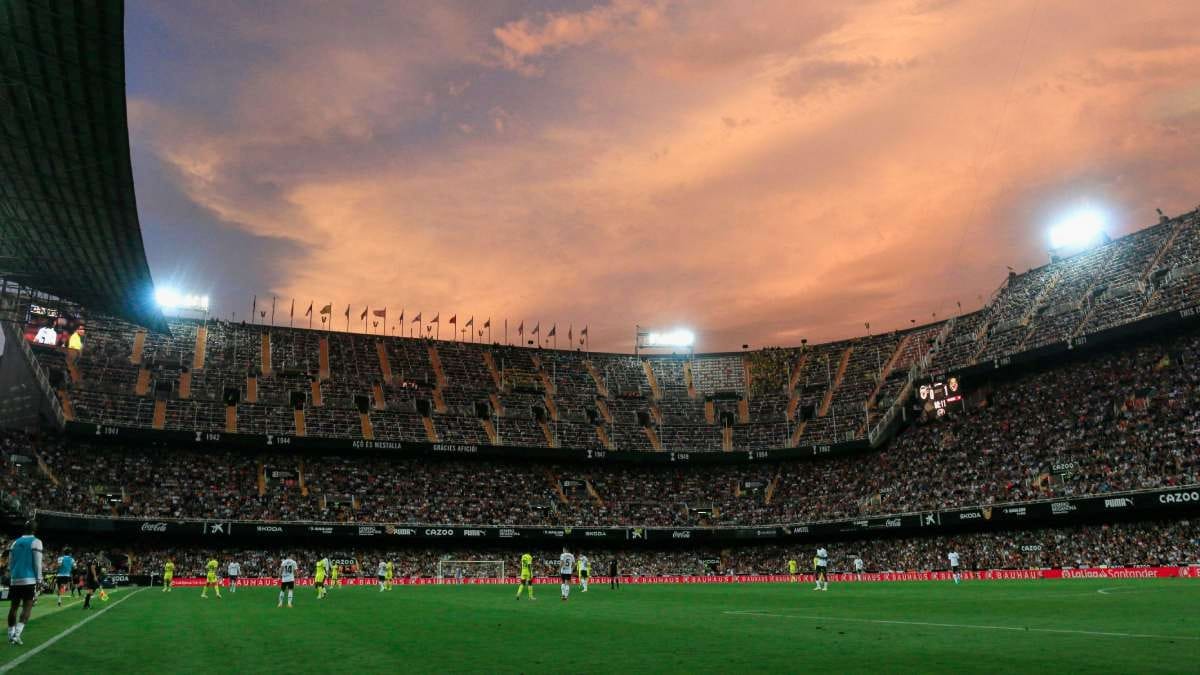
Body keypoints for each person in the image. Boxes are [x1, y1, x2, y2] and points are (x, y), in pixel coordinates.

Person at [6, 521, 43, 645]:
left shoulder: (15, 542)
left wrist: (12, 576)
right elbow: (37, 563)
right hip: (29, 579)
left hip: (15, 579)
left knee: (13, 607)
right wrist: (39, 580)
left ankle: (11, 635)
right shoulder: (36, 542)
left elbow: (10, 563)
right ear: (35, 529)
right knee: (27, 607)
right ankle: (17, 635)